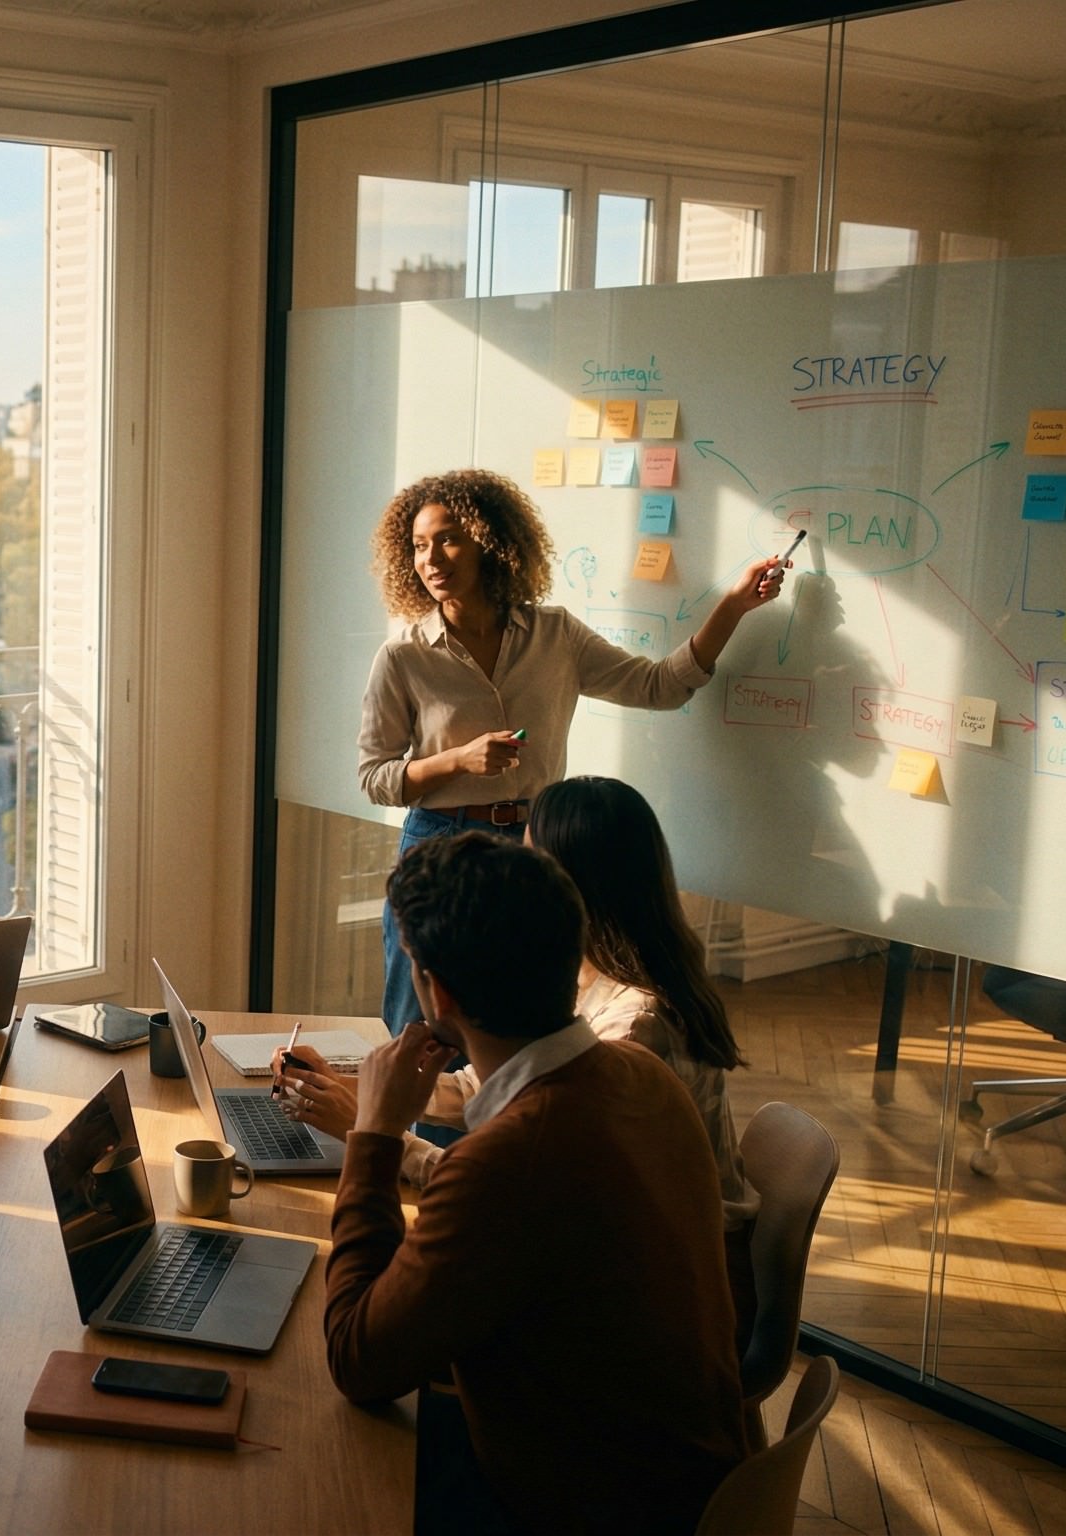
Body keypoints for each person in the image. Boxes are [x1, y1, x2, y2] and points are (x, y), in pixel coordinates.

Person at [322, 831, 747, 1535]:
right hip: (685, 1485)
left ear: (438, 993)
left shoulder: (506, 1161)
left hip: (584, 1510)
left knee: (317, 1461)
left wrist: (373, 1137)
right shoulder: (646, 1076)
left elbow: (355, 1360)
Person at [357, 467, 789, 1031]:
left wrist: (732, 606)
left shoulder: (555, 634)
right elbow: (375, 777)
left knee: (524, 1020)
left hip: (534, 846)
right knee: (423, 1025)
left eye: (448, 539)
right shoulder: (403, 656)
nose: (431, 558)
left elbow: (659, 686)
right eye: (418, 546)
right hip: (439, 844)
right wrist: (458, 760)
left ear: (490, 542)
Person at [276, 775, 760, 1230]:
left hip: (678, 1267)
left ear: (570, 886)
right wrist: (347, 1088)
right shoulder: (598, 978)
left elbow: (522, 1199)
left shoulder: (633, 1029)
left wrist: (377, 1135)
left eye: (527, 861)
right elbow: (494, 1088)